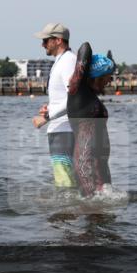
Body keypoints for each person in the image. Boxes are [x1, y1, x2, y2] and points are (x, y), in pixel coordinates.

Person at [31, 23, 77, 189]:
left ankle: (67, 214)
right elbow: (66, 96)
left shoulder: (68, 62)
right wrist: (51, 107)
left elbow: (74, 96)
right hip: (62, 128)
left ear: (58, 40)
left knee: (65, 184)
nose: (42, 44)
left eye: (45, 40)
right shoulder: (63, 60)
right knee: (66, 181)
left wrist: (46, 117)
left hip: (65, 130)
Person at [67, 42, 115, 197]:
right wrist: (83, 71)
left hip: (99, 164)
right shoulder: (78, 90)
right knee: (94, 212)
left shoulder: (91, 96)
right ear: (98, 76)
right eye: (109, 76)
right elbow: (85, 48)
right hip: (86, 163)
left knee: (106, 215)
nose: (111, 80)